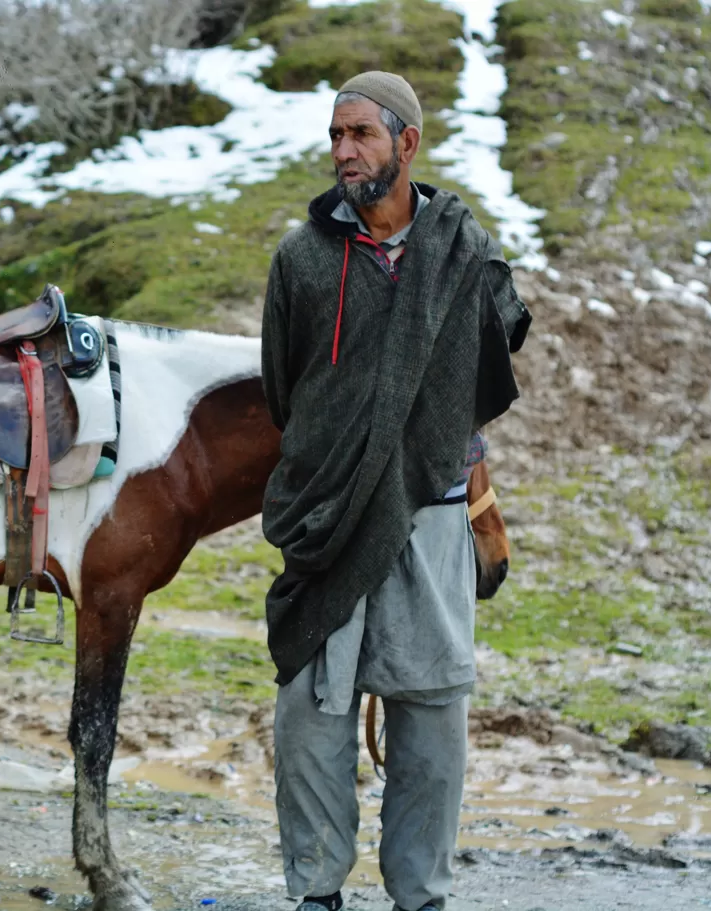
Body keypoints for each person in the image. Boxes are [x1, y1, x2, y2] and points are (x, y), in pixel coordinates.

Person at [258, 71, 532, 911]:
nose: (344, 151)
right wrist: (338, 461)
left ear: (406, 143)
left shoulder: (463, 252)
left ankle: (421, 896)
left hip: (433, 515)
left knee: (432, 721)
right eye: (336, 136)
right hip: (328, 518)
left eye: (361, 135)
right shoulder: (302, 258)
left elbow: (495, 354)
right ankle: (316, 894)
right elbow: (282, 385)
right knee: (311, 717)